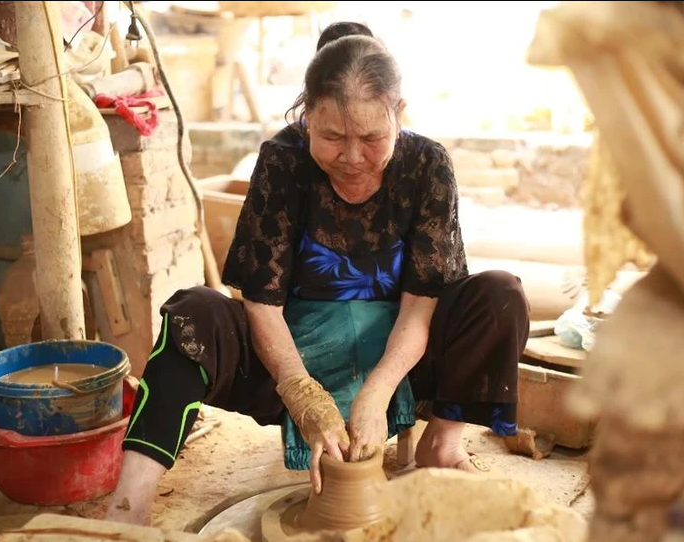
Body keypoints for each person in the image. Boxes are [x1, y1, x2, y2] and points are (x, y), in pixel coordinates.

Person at [105, 22, 530, 526]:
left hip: (403, 355)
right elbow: (260, 301)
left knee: (500, 294)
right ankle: (126, 507)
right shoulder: (281, 161)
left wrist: (377, 391)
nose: (351, 158)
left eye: (372, 137)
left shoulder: (427, 165)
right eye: (331, 137)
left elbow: (422, 306)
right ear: (307, 115)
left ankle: (442, 444)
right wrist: (303, 394)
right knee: (192, 314)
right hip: (290, 348)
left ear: (399, 113)